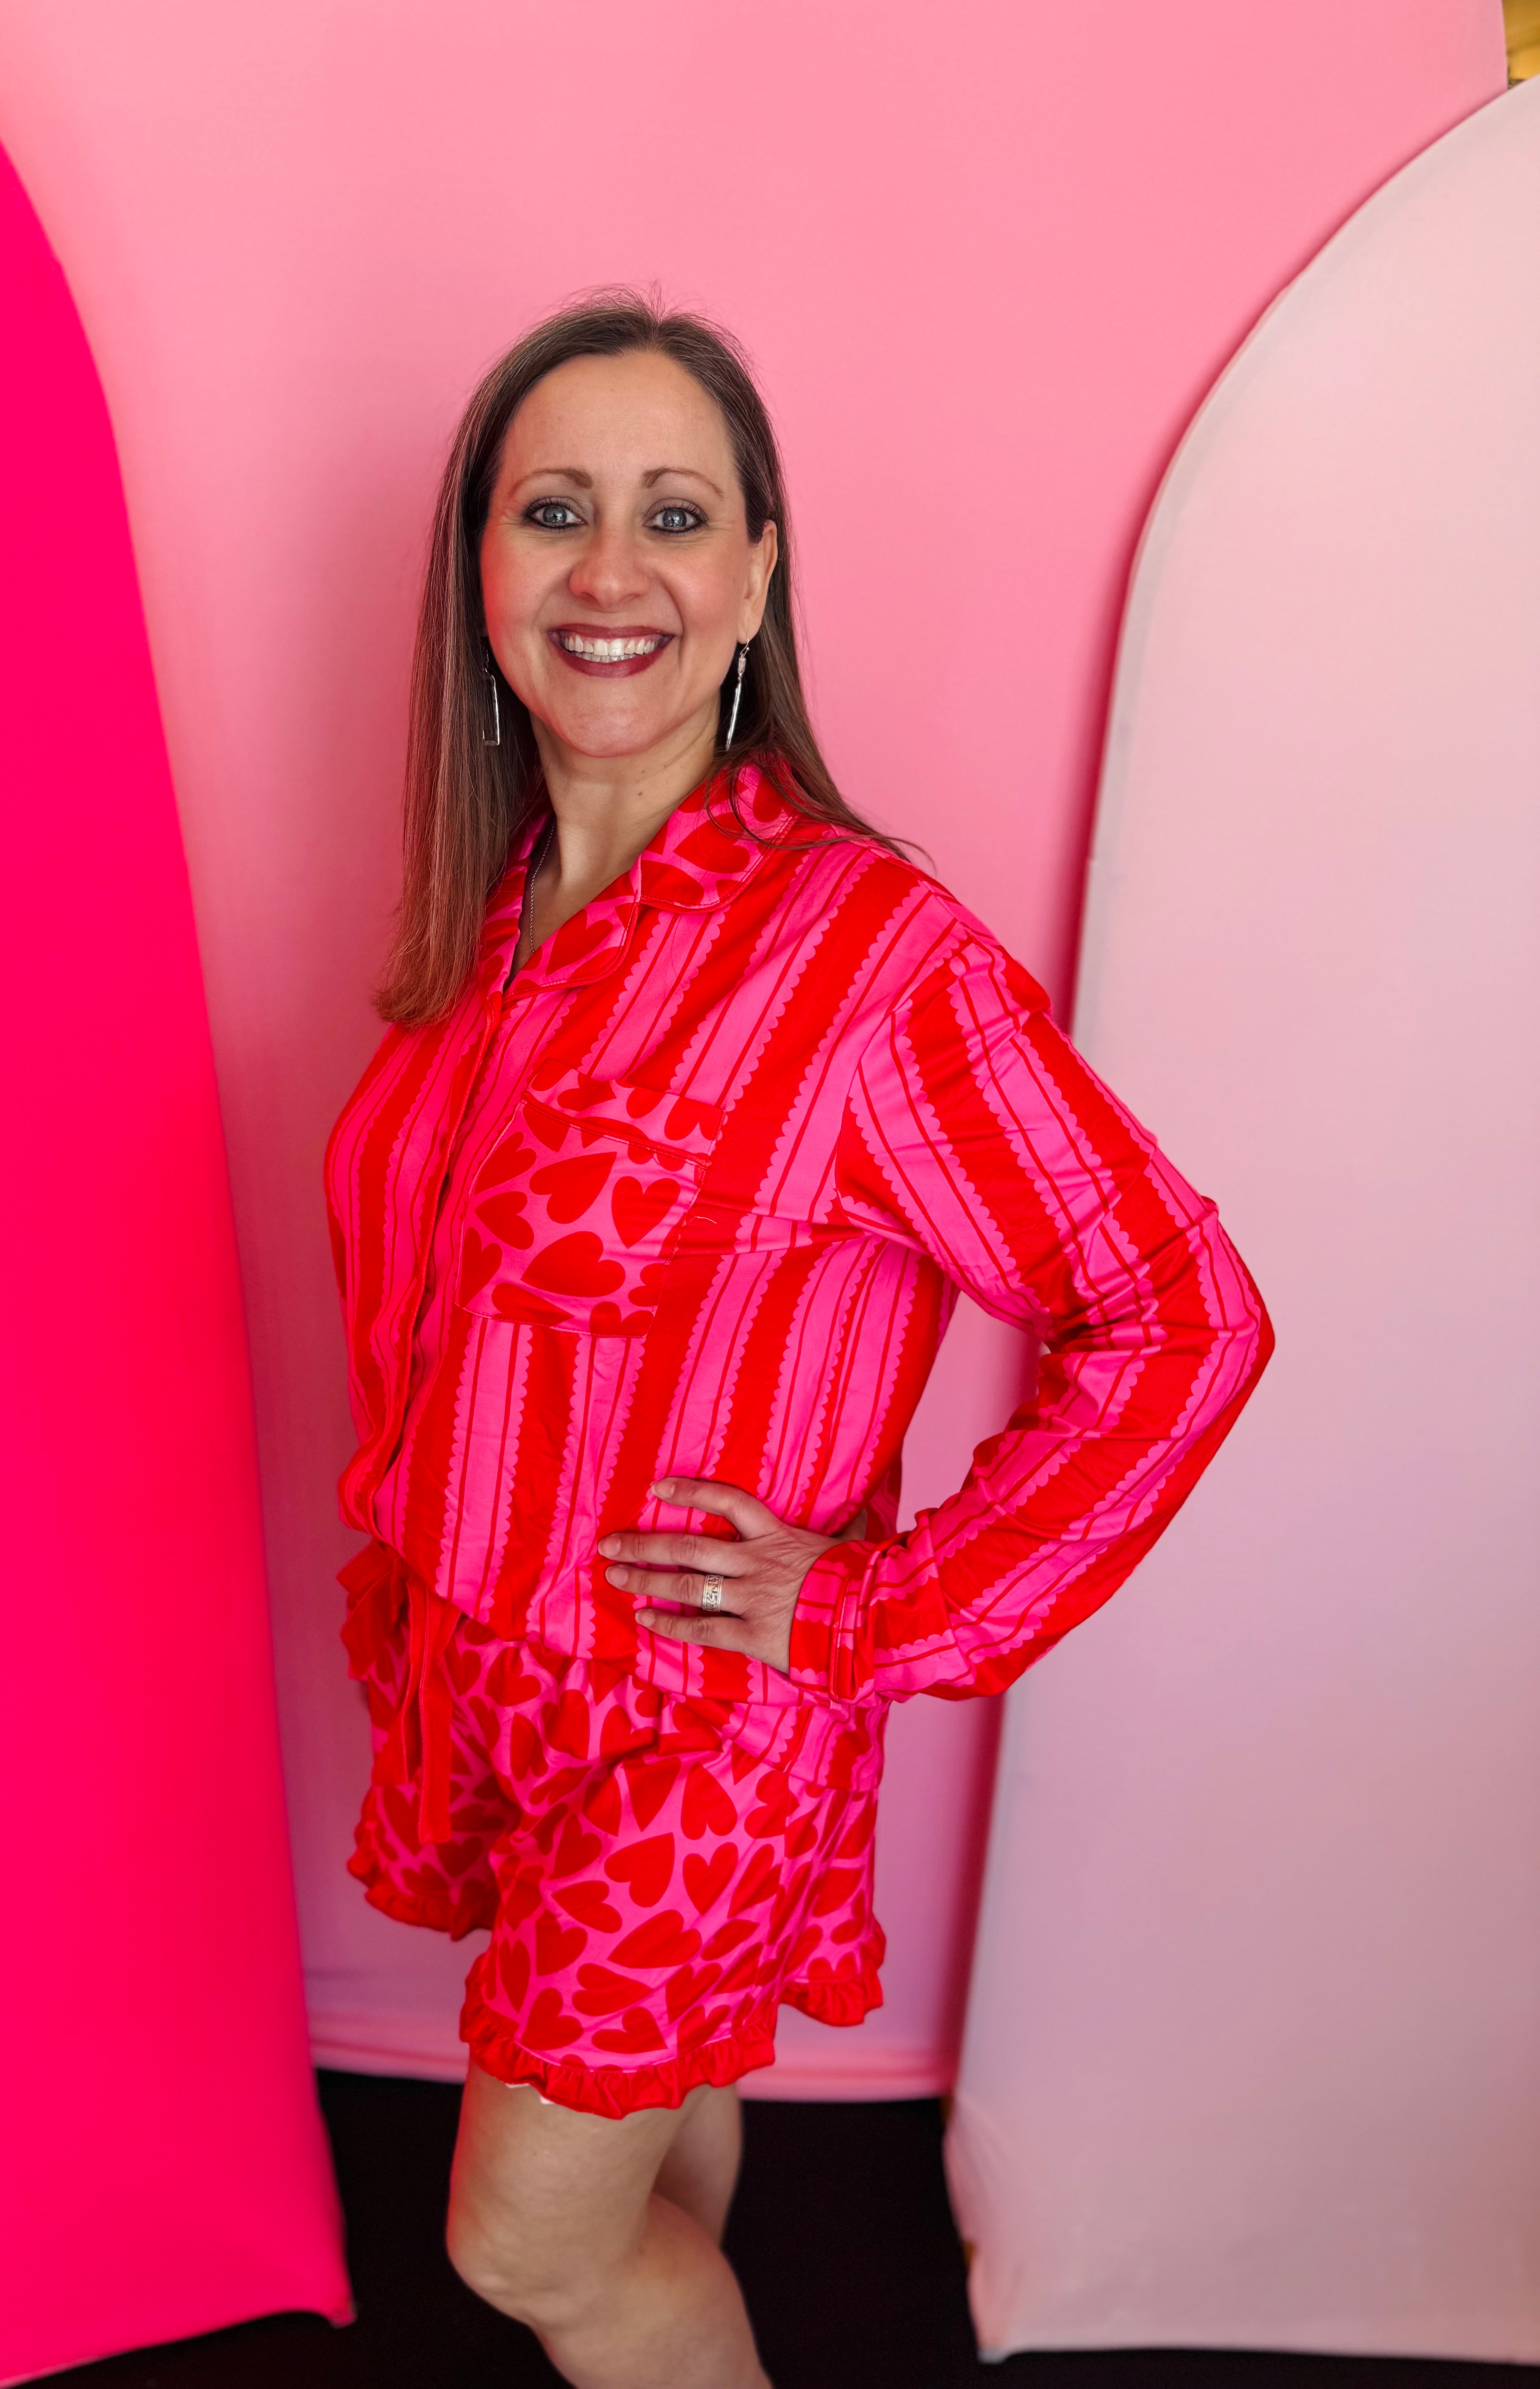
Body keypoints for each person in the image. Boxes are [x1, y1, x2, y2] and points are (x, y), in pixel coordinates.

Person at [326, 292, 1271, 2389]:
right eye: (554, 510)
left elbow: (1176, 1314)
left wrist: (886, 1607)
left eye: (676, 514)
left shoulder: (868, 961)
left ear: (756, 577)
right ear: (480, 570)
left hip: (694, 1739)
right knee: (656, 2147)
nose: (611, 568)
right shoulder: (495, 929)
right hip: (502, 1698)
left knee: (525, 2248)